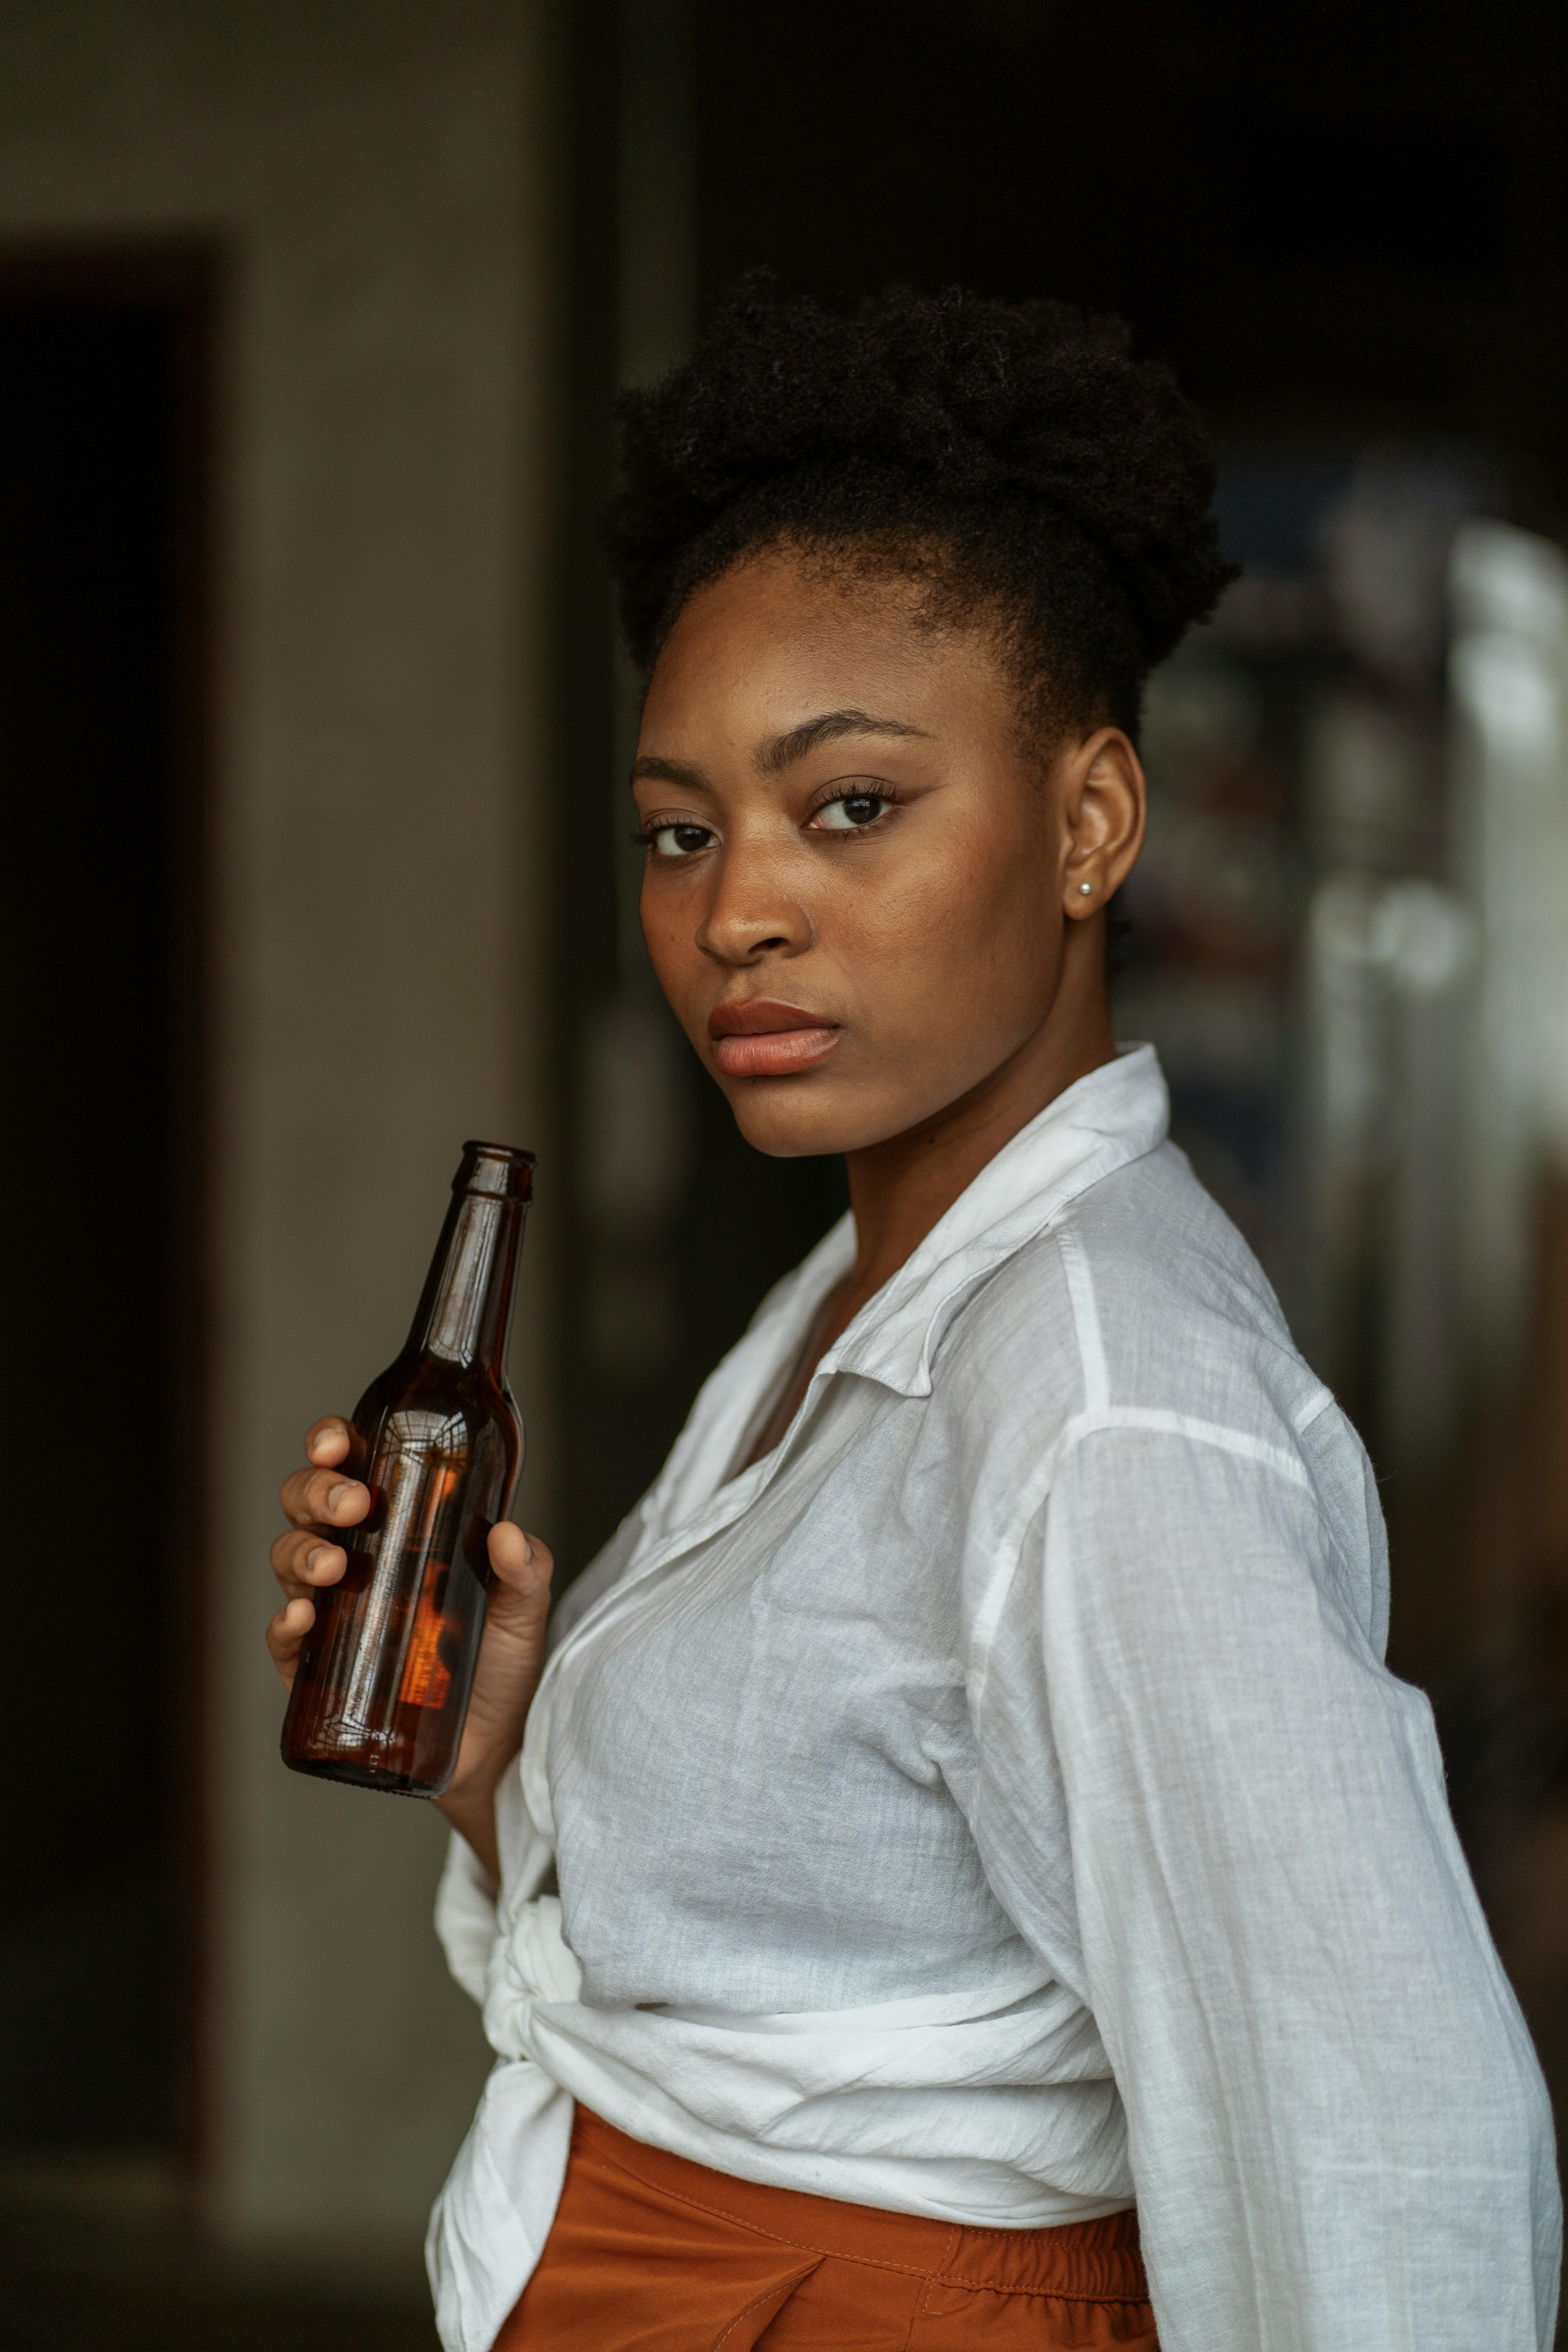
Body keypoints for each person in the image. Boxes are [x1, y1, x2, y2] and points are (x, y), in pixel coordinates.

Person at [267, 281, 1561, 2351]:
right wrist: (508, 1742)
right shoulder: (861, 1294)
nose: (738, 909)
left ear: (1091, 823)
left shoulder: (1115, 1407)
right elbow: (832, 1972)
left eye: (848, 804)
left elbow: (1373, 2152)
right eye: (680, 833)